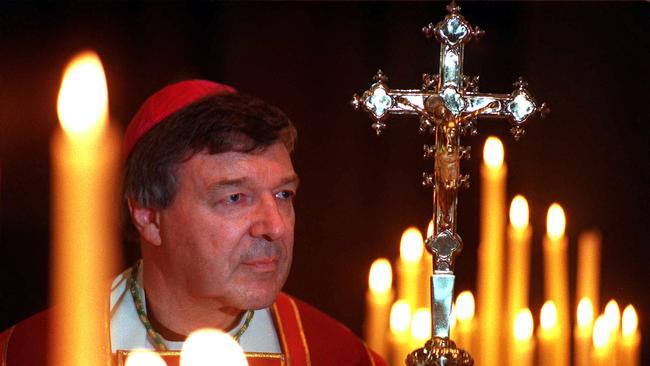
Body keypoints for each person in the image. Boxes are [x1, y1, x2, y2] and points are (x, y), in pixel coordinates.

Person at [0, 80, 386, 366]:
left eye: (283, 195)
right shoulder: (29, 353)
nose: (276, 227)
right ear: (148, 216)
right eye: (235, 198)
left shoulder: (336, 355)